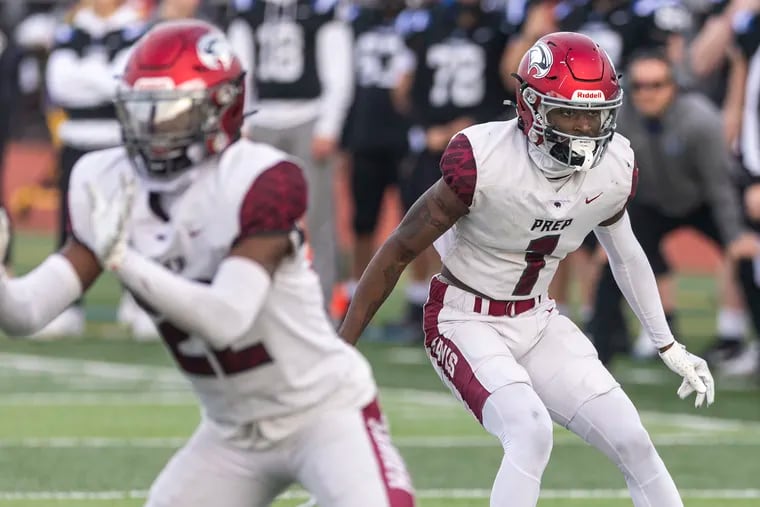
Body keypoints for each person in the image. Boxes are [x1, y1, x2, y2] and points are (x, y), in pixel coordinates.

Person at [0, 20, 414, 507]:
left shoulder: (261, 179)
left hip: (322, 414)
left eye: (168, 113)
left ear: (220, 109)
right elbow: (25, 312)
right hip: (231, 434)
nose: (152, 131)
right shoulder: (109, 181)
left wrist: (123, 260)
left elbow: (227, 318)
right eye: (140, 111)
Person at [340, 32, 714, 507]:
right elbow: (396, 252)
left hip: (538, 320)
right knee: (530, 431)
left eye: (594, 115)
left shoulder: (615, 163)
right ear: (531, 107)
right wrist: (342, 349)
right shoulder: (483, 160)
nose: (583, 129)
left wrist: (666, 343)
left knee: (633, 440)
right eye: (569, 113)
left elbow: (626, 254)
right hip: (462, 318)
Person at [588, 49, 760, 365]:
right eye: (639, 86)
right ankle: (600, 352)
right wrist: (605, 229)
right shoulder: (617, 119)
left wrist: (735, 236)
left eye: (656, 85)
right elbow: (606, 177)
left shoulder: (701, 120)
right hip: (649, 204)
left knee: (746, 258)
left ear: (673, 86)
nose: (647, 93)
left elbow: (719, 184)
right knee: (612, 261)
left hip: (702, 202)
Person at [227, 0, 355, 306]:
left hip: (309, 118)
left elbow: (339, 71)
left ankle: (323, 306)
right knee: (256, 215)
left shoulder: (322, 10)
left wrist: (329, 125)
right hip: (262, 120)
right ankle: (257, 300)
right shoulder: (249, 11)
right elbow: (239, 69)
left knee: (319, 218)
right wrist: (242, 119)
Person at [43, 0, 147, 338]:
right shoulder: (72, 29)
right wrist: (100, 74)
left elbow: (125, 83)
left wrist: (83, 70)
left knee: (130, 224)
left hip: (118, 139)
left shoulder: (135, 28)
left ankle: (138, 303)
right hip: (75, 139)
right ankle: (66, 307)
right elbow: (58, 84)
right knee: (72, 227)